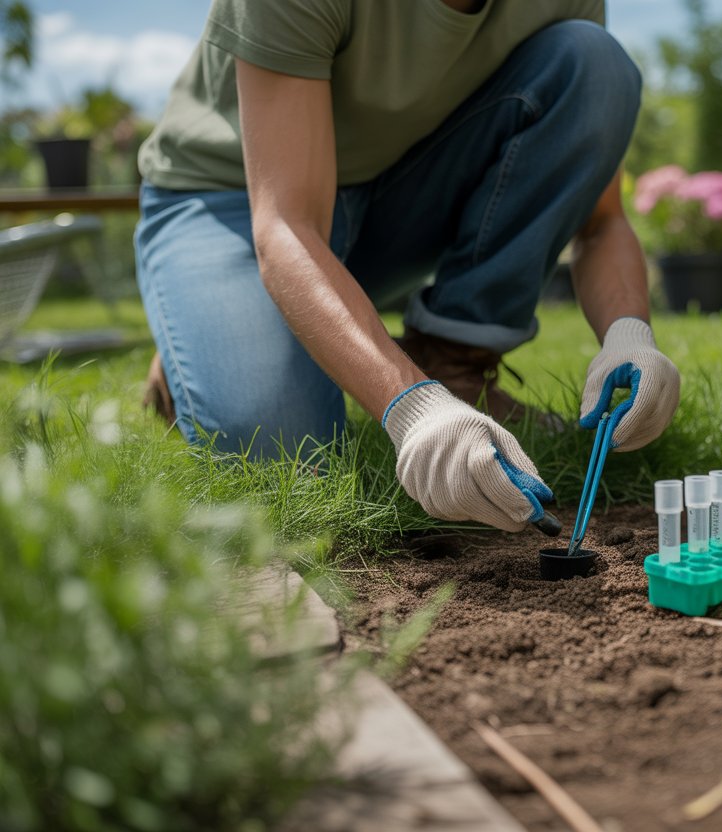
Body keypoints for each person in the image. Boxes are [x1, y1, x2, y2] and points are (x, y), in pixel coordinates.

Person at [135, 0, 681, 533]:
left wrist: (629, 333)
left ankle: (453, 362)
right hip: (233, 198)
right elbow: (285, 227)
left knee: (593, 59)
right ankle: (201, 325)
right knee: (284, 455)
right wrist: (412, 408)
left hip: (402, 185)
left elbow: (601, 220)